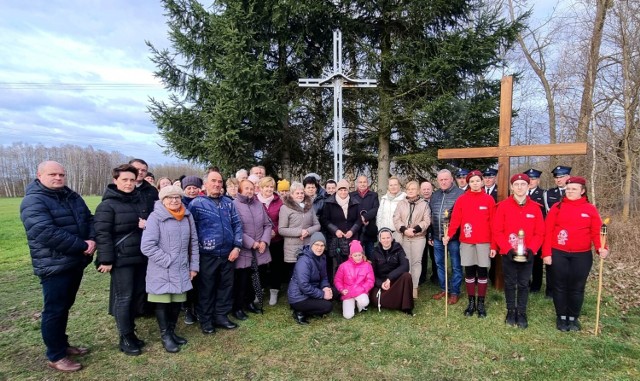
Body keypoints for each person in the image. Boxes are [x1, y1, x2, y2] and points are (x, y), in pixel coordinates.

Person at [20, 161, 96, 372]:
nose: (58, 178)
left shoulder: (71, 196)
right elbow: (45, 231)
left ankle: (62, 345)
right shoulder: (33, 201)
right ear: (39, 175)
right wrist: (82, 245)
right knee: (54, 310)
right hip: (54, 266)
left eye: (62, 174)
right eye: (53, 174)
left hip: (75, 262)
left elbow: (88, 219)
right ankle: (55, 355)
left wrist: (92, 238)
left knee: (64, 307)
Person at [95, 164, 149, 356]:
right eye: (124, 180)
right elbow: (102, 234)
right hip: (121, 259)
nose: (128, 183)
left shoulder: (139, 201)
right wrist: (106, 259)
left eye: (132, 180)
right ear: (115, 181)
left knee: (135, 295)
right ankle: (125, 337)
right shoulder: (106, 205)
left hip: (140, 256)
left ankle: (131, 332)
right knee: (123, 298)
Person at [542, 176, 608, 332]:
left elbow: (596, 232)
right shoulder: (557, 208)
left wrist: (601, 248)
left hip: (582, 255)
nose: (570, 192)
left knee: (577, 287)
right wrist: (546, 253)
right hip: (559, 253)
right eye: (568, 189)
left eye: (574, 189)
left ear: (582, 191)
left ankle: (573, 317)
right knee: (559, 286)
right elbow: (548, 232)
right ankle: (561, 317)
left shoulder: (590, 209)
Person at [141, 185, 199, 352]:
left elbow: (193, 243)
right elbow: (147, 246)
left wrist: (193, 266)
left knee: (176, 302)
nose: (174, 200)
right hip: (162, 270)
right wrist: (168, 260)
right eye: (169, 198)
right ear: (163, 200)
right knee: (163, 303)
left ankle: (172, 332)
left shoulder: (187, 216)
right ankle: (165, 336)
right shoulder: (155, 217)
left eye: (177, 197)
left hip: (182, 269)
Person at [187, 169, 243, 334]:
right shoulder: (197, 204)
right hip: (207, 255)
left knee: (225, 287)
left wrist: (237, 246)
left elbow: (237, 225)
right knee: (207, 288)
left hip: (228, 254)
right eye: (214, 181)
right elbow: (192, 231)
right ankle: (206, 320)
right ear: (205, 184)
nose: (217, 184)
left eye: (220, 182)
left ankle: (221, 316)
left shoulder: (228, 203)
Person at [492, 174, 544, 328]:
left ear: (528, 186)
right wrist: (507, 249)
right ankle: (510, 310)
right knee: (509, 282)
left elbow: (540, 232)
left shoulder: (535, 208)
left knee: (523, 283)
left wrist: (532, 249)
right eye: (516, 184)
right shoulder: (503, 206)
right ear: (511, 187)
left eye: (523, 184)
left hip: (527, 254)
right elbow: (497, 231)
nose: (520, 187)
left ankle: (521, 311)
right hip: (509, 253)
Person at [444, 170, 495, 317]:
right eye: (472, 181)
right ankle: (471, 302)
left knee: (483, 273)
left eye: (477, 180)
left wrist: (493, 245)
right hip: (467, 241)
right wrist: (448, 235)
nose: (475, 183)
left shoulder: (488, 200)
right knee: (470, 272)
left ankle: (481, 303)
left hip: (484, 242)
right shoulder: (462, 199)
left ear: (482, 181)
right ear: (468, 183)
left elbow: (493, 223)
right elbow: (455, 221)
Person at [232, 179, 272, 320]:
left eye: (251, 188)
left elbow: (268, 224)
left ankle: (249, 303)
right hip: (244, 249)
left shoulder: (258, 204)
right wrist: (252, 243)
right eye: (246, 188)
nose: (249, 191)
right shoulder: (234, 205)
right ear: (240, 190)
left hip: (260, 249)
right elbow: (235, 228)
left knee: (254, 278)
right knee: (241, 281)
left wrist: (264, 241)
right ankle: (237, 307)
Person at [430, 169, 465, 304]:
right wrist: (431, 235)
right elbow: (431, 215)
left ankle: (455, 291)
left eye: (446, 179)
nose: (443, 182)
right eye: (441, 180)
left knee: (456, 265)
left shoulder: (460, 194)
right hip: (438, 236)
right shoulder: (435, 195)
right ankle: (444, 288)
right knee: (440, 264)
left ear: (451, 179)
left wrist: (452, 234)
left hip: (454, 238)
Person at [393, 180, 431, 299]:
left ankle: (414, 286)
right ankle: (406, 285)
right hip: (404, 236)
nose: (410, 191)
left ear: (418, 190)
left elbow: (426, 221)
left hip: (418, 237)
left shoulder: (424, 204)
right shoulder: (401, 204)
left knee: (416, 262)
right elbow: (396, 218)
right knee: (406, 262)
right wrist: (404, 230)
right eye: (408, 189)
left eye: (413, 189)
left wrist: (414, 230)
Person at [279, 182, 322, 281]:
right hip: (292, 248)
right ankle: (295, 295)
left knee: (308, 273)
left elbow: (317, 225)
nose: (300, 195)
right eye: (297, 193)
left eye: (302, 193)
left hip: (308, 245)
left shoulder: (309, 207)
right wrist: (300, 232)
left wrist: (307, 231)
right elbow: (282, 230)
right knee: (295, 275)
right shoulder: (285, 208)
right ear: (292, 194)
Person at [288, 232, 334, 325]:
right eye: (316, 244)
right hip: (299, 297)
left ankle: (310, 306)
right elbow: (304, 286)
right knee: (327, 307)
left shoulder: (322, 257)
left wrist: (325, 287)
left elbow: (324, 277)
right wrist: (322, 294)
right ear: (311, 244)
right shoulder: (304, 261)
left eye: (322, 245)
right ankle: (299, 311)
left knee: (334, 293)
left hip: (312, 290)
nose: (319, 248)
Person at [321, 179, 362, 281]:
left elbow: (358, 220)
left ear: (348, 190)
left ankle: (350, 284)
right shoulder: (329, 202)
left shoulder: (355, 203)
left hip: (351, 237)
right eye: (340, 190)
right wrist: (335, 230)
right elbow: (325, 220)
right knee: (335, 264)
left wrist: (352, 231)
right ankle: (335, 287)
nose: (343, 192)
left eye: (345, 190)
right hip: (335, 238)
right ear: (337, 190)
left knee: (351, 262)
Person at [542, 165, 571, 298]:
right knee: (551, 263)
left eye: (562, 177)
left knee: (568, 264)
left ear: (568, 177)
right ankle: (550, 290)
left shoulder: (573, 191)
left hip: (570, 231)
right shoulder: (548, 193)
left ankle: (566, 289)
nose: (559, 180)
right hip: (553, 231)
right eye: (557, 177)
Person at [369, 228, 414, 314]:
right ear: (379, 240)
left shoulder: (398, 248)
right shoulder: (375, 252)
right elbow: (372, 274)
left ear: (392, 238)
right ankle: (398, 300)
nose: (386, 240)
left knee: (407, 276)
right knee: (375, 300)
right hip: (382, 284)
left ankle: (406, 307)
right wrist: (381, 284)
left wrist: (390, 278)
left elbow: (405, 266)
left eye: (388, 238)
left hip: (395, 281)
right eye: (383, 238)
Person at [180, 175, 204, 324]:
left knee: (201, 280)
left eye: (194, 187)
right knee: (189, 279)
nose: (192, 190)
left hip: (201, 245)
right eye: (189, 188)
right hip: (185, 246)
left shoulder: (203, 202)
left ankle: (200, 307)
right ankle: (188, 308)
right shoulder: (180, 203)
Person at [257, 177, 285, 306]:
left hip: (276, 239)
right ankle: (259, 291)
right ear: (261, 188)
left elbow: (283, 220)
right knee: (260, 267)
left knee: (276, 266)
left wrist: (275, 231)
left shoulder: (279, 202)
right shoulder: (255, 201)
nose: (268, 189)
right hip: (260, 240)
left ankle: (274, 291)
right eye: (266, 187)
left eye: (271, 187)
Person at [334, 240, 374, 319]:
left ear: (362, 255)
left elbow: (370, 280)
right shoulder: (343, 266)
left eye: (359, 255)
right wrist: (341, 289)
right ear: (351, 255)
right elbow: (337, 280)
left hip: (360, 291)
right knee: (348, 316)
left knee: (364, 301)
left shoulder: (367, 265)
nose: (358, 257)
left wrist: (362, 289)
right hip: (348, 293)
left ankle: (359, 305)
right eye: (355, 255)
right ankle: (352, 304)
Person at [523, 168, 546, 293]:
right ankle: (525, 283)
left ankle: (536, 286)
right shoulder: (520, 193)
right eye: (529, 179)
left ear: (538, 180)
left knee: (537, 261)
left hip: (537, 232)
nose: (531, 181)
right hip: (523, 232)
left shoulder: (544, 194)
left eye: (533, 179)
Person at [350, 175, 379, 259]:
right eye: (360, 182)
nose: (362, 184)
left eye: (364, 182)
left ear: (368, 183)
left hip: (370, 229)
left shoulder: (374, 195)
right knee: (357, 255)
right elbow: (350, 210)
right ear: (357, 184)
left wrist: (365, 217)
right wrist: (360, 219)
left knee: (371, 255)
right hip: (356, 231)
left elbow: (376, 209)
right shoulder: (351, 195)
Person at [376, 176, 406, 242]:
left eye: (395, 185)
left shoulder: (404, 198)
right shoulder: (384, 199)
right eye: (391, 185)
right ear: (388, 187)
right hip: (385, 232)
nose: (393, 187)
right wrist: (380, 229)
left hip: (399, 232)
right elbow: (379, 216)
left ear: (399, 186)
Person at [419, 180, 437, 285]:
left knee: (434, 255)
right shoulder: (419, 201)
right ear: (421, 191)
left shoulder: (436, 200)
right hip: (421, 232)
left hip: (434, 231)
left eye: (428, 189)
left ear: (432, 189)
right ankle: (422, 276)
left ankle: (436, 276)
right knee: (422, 255)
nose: (426, 191)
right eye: (424, 189)